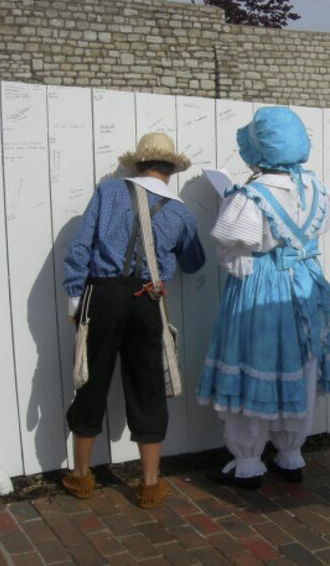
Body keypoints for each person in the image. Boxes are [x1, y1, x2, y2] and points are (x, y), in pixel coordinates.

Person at [197, 106, 330, 487]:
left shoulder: (250, 196)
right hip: (305, 286)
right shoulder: (315, 188)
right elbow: (317, 229)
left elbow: (232, 252)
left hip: (262, 288)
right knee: (298, 365)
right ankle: (290, 452)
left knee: (255, 361)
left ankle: (247, 462)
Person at [62, 132, 206, 508]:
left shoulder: (109, 193)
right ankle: (149, 483)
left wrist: (75, 297)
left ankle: (80, 477)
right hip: (148, 300)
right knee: (147, 386)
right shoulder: (181, 212)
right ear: (171, 169)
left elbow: (81, 245)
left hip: (102, 295)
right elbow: (194, 263)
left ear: (138, 164)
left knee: (90, 379)